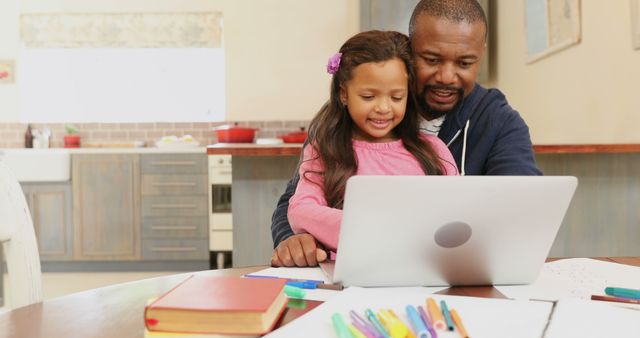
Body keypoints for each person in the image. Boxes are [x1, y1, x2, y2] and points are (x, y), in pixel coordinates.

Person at [271, 0, 542, 267]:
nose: (447, 76)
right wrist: (294, 241)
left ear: (480, 55)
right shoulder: (340, 125)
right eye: (432, 59)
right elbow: (297, 202)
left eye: (465, 63)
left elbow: (518, 212)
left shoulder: (496, 122)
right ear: (409, 54)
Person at [288, 30, 458, 254]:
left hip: (420, 274)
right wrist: (373, 227)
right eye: (368, 97)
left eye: (397, 97)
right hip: (352, 275)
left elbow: (458, 211)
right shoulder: (326, 150)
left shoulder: (433, 150)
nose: (384, 108)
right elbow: (301, 209)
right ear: (344, 94)